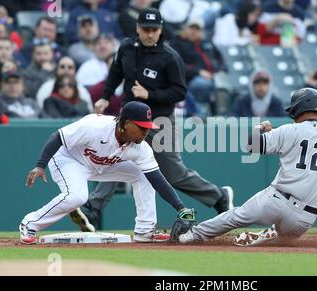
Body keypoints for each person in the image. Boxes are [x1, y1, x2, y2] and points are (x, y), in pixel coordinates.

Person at [176, 87, 317, 246]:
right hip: (304, 219)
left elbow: (251, 146)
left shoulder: (290, 130)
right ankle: (270, 235)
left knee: (235, 217)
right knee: (285, 240)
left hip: (276, 200)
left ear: (299, 108)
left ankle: (190, 236)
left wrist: (260, 128)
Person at [72, 8, 234, 230]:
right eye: (146, 29)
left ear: (160, 31)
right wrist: (105, 97)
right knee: (114, 158)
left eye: (154, 30)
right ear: (138, 28)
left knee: (174, 174)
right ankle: (93, 207)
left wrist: (150, 95)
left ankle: (219, 197)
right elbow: (116, 73)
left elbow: (179, 92)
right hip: (128, 120)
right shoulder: (127, 47)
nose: (149, 34)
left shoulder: (170, 57)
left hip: (159, 121)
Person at [19, 101, 195, 244]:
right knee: (77, 197)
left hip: (100, 165)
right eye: (141, 127)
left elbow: (157, 180)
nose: (145, 131)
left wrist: (181, 207)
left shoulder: (141, 148)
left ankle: (145, 230)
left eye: (147, 127)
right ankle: (29, 224)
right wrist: (40, 165)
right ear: (126, 123)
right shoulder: (95, 126)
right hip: (69, 160)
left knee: (142, 174)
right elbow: (57, 137)